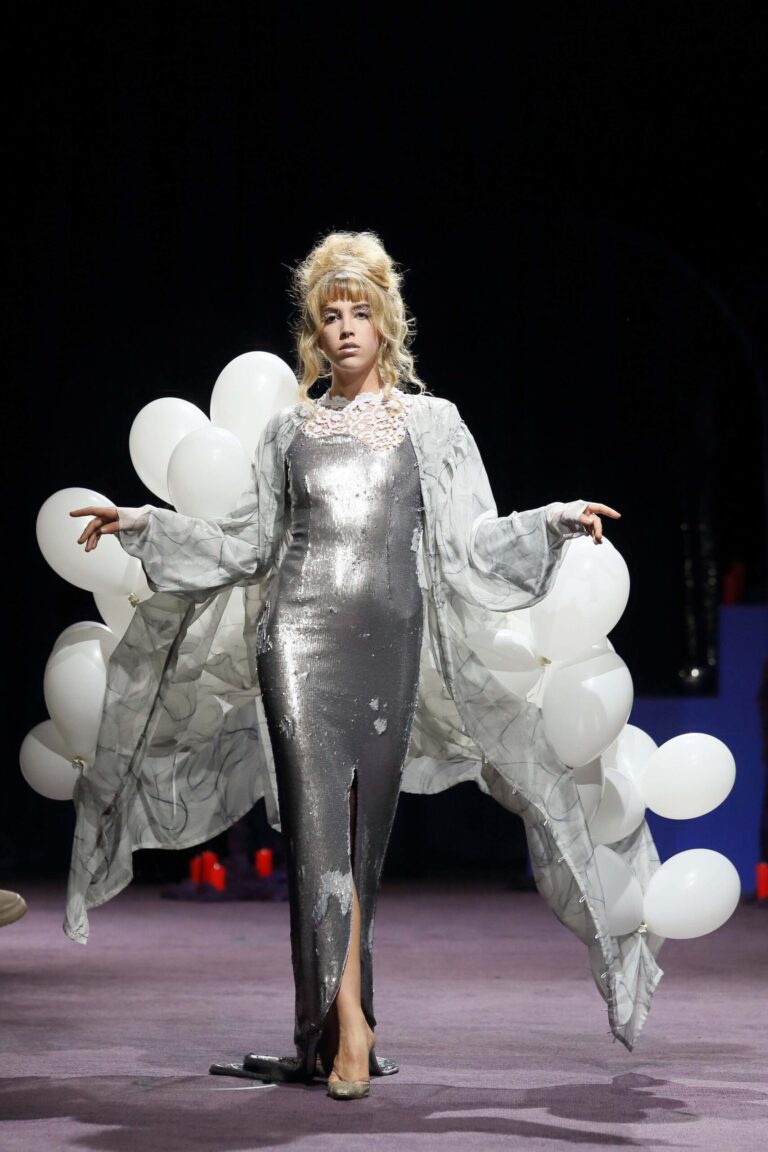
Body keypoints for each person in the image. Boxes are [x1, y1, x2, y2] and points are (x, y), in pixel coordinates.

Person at [68, 230, 663, 1099]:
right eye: (330, 316)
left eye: (359, 313)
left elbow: (469, 543)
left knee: (362, 844)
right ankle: (350, 1029)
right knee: (318, 838)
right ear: (313, 332)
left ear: (387, 323)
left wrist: (555, 519)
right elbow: (247, 544)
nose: (345, 328)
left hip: (389, 644)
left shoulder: (433, 423)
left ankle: (327, 1022)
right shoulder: (289, 429)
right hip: (295, 644)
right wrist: (143, 524)